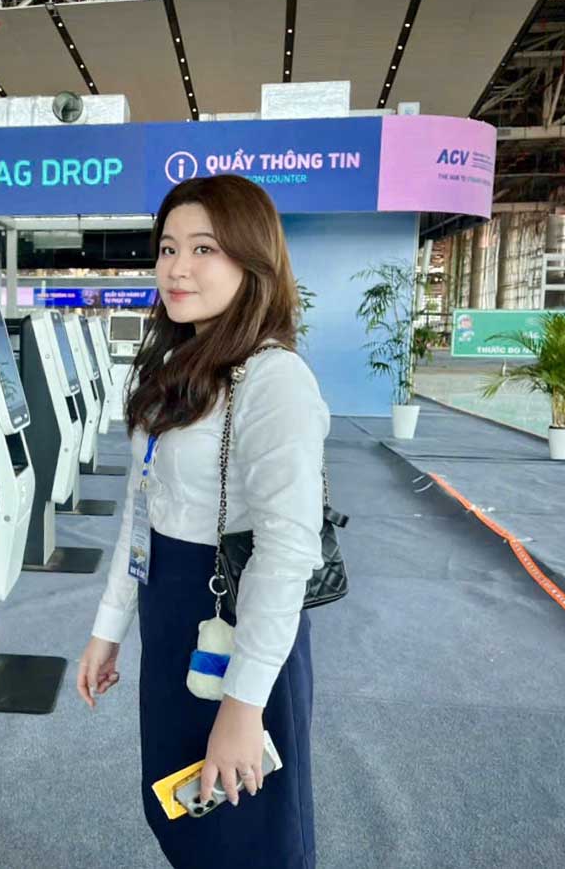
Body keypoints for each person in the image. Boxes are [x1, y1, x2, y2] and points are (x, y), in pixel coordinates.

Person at [77, 175, 329, 869]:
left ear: (252, 263)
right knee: (183, 807)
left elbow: (285, 552)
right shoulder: (176, 364)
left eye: (203, 248)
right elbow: (142, 508)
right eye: (166, 248)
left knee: (249, 832)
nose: (176, 267)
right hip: (171, 611)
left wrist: (245, 705)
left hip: (237, 619)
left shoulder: (273, 379)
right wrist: (109, 627)